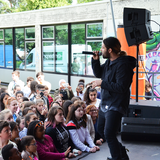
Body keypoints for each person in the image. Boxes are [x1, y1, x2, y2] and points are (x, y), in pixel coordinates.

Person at [91, 37, 136, 160]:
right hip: (106, 102)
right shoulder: (109, 62)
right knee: (101, 130)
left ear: (110, 50)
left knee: (109, 133)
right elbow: (99, 74)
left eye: (103, 47)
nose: (101, 50)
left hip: (116, 104)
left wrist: (102, 83)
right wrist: (95, 61)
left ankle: (116, 157)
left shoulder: (123, 65)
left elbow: (121, 87)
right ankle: (121, 152)